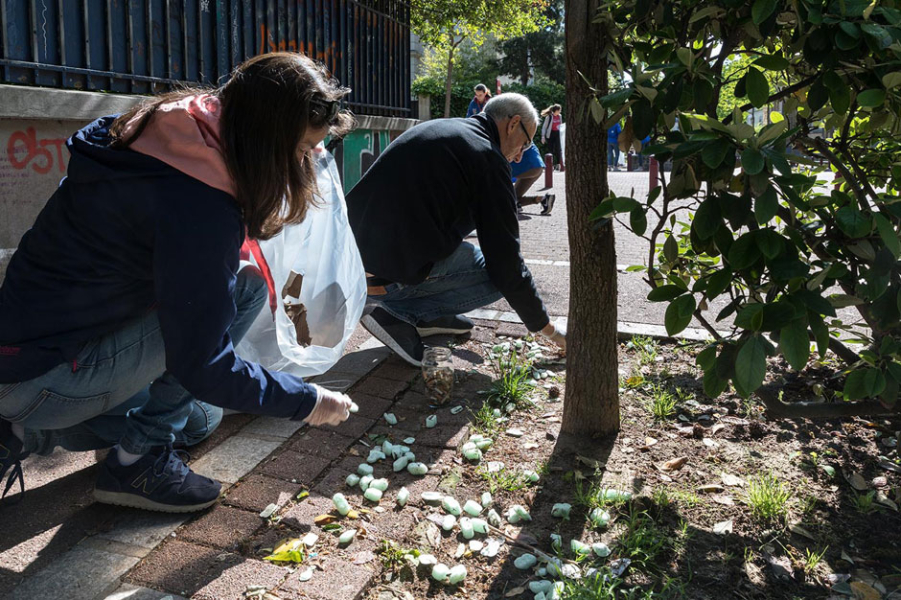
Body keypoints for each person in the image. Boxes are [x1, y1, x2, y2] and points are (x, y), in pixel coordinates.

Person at [0, 53, 356, 512]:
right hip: (40, 374)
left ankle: (23, 432)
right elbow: (202, 365)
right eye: (304, 149)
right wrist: (307, 401)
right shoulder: (199, 204)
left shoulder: (170, 128)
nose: (308, 162)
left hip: (28, 354)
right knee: (244, 290)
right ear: (267, 140)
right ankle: (136, 463)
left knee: (199, 420)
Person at [346, 93, 567, 366]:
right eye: (525, 143)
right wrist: (548, 329)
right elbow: (507, 262)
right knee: (497, 275)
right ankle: (397, 313)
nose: (520, 154)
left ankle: (429, 315)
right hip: (382, 273)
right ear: (513, 124)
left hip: (352, 258)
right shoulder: (488, 157)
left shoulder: (449, 129)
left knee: (469, 253)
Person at [511, 145, 555, 216]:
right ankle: (543, 199)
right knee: (514, 196)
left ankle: (514, 204)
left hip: (525, 166)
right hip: (537, 166)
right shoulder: (526, 135)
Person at [540, 104, 563, 170]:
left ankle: (558, 164)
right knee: (551, 150)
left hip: (557, 134)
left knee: (558, 149)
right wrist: (543, 137)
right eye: (559, 110)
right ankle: (551, 165)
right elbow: (544, 127)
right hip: (550, 134)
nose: (560, 112)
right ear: (555, 110)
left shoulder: (560, 116)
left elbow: (560, 125)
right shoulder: (549, 117)